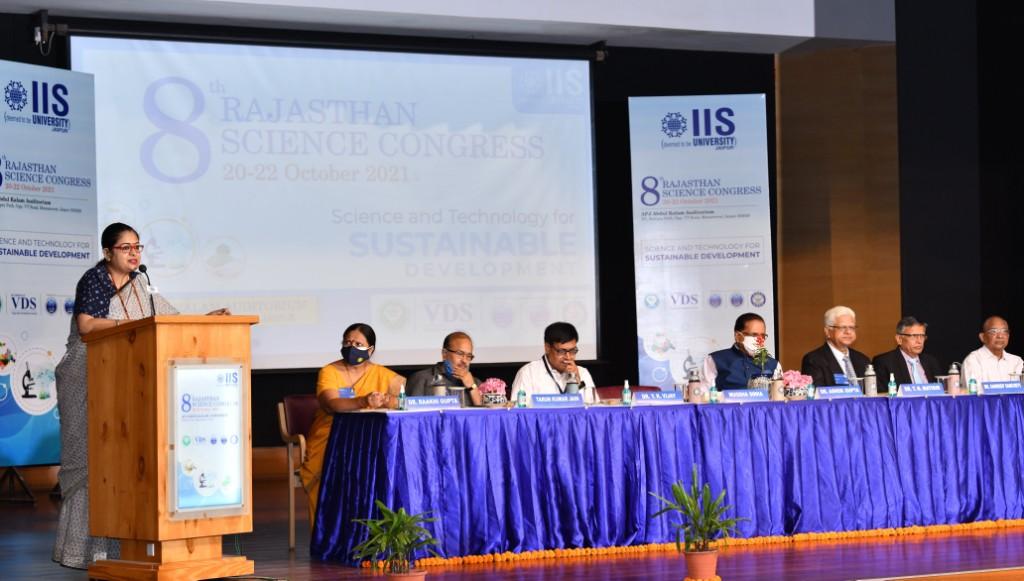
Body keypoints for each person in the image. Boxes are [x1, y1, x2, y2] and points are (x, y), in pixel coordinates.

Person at [53, 223, 229, 569]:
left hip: (123, 381)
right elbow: (87, 326)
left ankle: (120, 550)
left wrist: (204, 319)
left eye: (137, 247)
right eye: (126, 248)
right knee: (92, 461)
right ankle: (84, 551)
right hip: (87, 376)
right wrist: (133, 327)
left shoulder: (141, 284)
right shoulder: (95, 280)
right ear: (108, 252)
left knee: (120, 462)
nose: (134, 254)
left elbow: (167, 321)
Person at [299, 323, 405, 521]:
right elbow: (331, 404)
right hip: (330, 440)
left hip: (368, 442)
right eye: (347, 342)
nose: (351, 347)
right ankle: (326, 534)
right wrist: (363, 401)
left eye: (358, 344)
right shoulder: (329, 371)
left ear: (370, 350)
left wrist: (388, 401)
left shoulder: (385, 375)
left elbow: (404, 400)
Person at [510, 322, 597, 401]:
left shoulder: (582, 373)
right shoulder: (528, 374)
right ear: (547, 348)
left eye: (572, 351)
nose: (568, 357)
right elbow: (518, 409)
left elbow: (594, 407)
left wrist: (577, 379)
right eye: (561, 351)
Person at [700, 313, 779, 389]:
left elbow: (779, 395)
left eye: (763, 336)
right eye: (754, 335)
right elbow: (704, 395)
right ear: (738, 336)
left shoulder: (774, 365)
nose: (760, 340)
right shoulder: (714, 360)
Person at [800, 305, 870, 388]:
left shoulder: (863, 360)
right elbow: (817, 392)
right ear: (827, 332)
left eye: (851, 327)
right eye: (842, 327)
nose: (848, 332)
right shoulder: (814, 360)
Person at [406, 331, 483, 406]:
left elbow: (486, 413)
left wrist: (472, 387)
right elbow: (411, 412)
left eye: (469, 356)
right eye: (460, 353)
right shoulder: (421, 379)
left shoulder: (475, 383)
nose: (464, 361)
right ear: (444, 354)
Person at [872, 316, 943, 392]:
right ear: (899, 339)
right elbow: (882, 395)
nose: (919, 341)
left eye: (922, 336)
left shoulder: (931, 362)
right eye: (914, 336)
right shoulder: (884, 363)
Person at [962, 316, 1023, 383]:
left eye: (1004, 331)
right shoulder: (974, 360)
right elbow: (974, 389)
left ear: (1008, 336)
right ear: (982, 337)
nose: (1000, 336)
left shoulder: (1016, 361)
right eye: (993, 331)